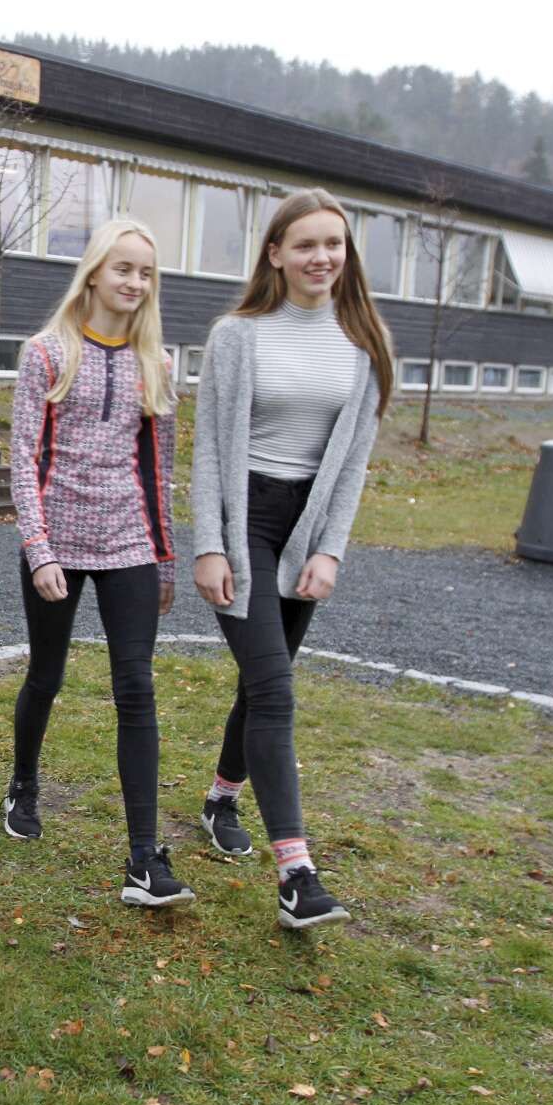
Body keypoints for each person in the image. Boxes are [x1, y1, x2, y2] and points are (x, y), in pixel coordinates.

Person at [191, 187, 394, 930]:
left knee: (262, 683)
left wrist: (330, 550)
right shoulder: (237, 336)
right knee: (275, 689)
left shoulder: (364, 342)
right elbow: (209, 449)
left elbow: (353, 463)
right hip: (244, 519)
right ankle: (296, 875)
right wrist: (209, 545)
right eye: (305, 244)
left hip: (306, 529)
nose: (321, 257)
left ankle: (220, 799)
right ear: (275, 253)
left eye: (332, 244)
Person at [4, 219, 189, 907]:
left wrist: (164, 559)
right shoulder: (46, 354)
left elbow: (158, 470)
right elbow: (23, 458)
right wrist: (39, 549)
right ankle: (23, 783)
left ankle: (144, 857)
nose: (134, 282)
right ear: (94, 272)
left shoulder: (156, 364)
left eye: (145, 272)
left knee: (135, 688)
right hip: (57, 542)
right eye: (123, 268)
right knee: (46, 675)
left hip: (129, 543)